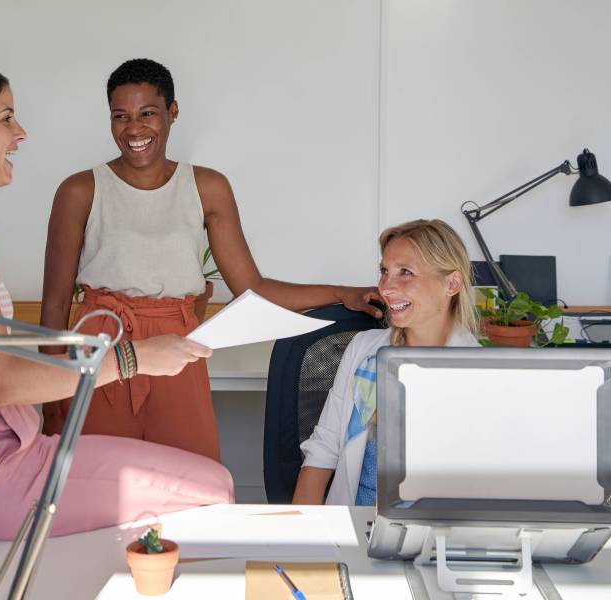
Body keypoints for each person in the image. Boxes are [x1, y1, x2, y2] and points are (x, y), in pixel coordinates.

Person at [0, 65, 233, 540]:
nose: (20, 133)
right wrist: (136, 357)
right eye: (6, 118)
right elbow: (1, 382)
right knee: (213, 485)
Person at [40, 58, 383, 460]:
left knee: (191, 475)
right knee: (96, 475)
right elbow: (56, 302)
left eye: (147, 113)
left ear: (172, 112)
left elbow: (252, 288)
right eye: (121, 116)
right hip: (102, 345)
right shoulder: (80, 190)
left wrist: (343, 294)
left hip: (177, 347)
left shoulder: (207, 187)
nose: (134, 129)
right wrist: (52, 393)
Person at [292, 219, 480, 506]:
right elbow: (323, 448)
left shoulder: (478, 371)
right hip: (354, 523)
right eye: (384, 271)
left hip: (435, 528)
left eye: (405, 272)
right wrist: (302, 531)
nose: (386, 288)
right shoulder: (363, 349)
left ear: (452, 283)